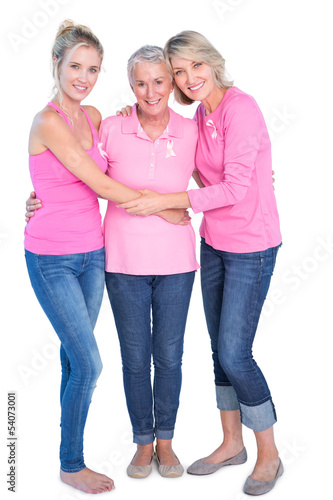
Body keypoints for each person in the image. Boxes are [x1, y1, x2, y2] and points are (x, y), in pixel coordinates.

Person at [118, 31, 283, 496]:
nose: (189, 78)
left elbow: (232, 188)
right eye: (179, 72)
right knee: (218, 350)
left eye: (195, 66)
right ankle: (232, 443)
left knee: (236, 351)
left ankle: (269, 453)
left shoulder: (240, 107)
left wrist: (167, 202)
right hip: (213, 243)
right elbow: (194, 165)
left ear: (212, 62)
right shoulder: (202, 115)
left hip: (252, 245)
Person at [24, 21, 185, 494]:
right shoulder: (47, 120)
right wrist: (166, 204)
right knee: (90, 363)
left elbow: (117, 152)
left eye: (93, 69)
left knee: (74, 360)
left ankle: (67, 455)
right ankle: (71, 463)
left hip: (93, 254)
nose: (83, 77)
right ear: (56, 65)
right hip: (51, 258)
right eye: (75, 66)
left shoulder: (95, 116)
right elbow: (99, 184)